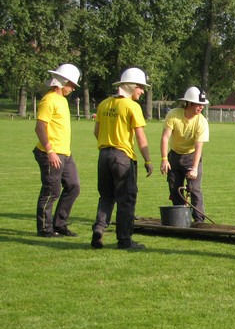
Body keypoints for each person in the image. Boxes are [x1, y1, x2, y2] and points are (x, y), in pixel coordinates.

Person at [91, 67, 153, 250]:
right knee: (126, 200)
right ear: (131, 86)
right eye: (140, 87)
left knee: (106, 196)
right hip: (123, 158)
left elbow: (97, 131)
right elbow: (141, 137)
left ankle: (99, 228)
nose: (142, 91)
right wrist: (148, 160)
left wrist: (108, 143)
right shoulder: (132, 106)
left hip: (103, 156)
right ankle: (125, 240)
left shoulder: (104, 104)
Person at [33, 63, 82, 237]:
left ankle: (60, 224)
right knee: (51, 191)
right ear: (63, 82)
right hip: (51, 153)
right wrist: (50, 151)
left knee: (73, 186)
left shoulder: (62, 100)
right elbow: (39, 127)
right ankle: (45, 229)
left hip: (65, 153)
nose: (73, 89)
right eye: (72, 85)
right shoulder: (49, 100)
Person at [159, 86, 210, 223]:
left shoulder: (201, 121)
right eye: (198, 104)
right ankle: (180, 218)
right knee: (174, 188)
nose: (201, 107)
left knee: (194, 189)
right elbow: (165, 138)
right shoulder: (174, 115)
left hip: (192, 156)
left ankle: (199, 220)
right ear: (189, 103)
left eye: (203, 105)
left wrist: (194, 168)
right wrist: (164, 159)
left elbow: (199, 146)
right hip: (174, 156)